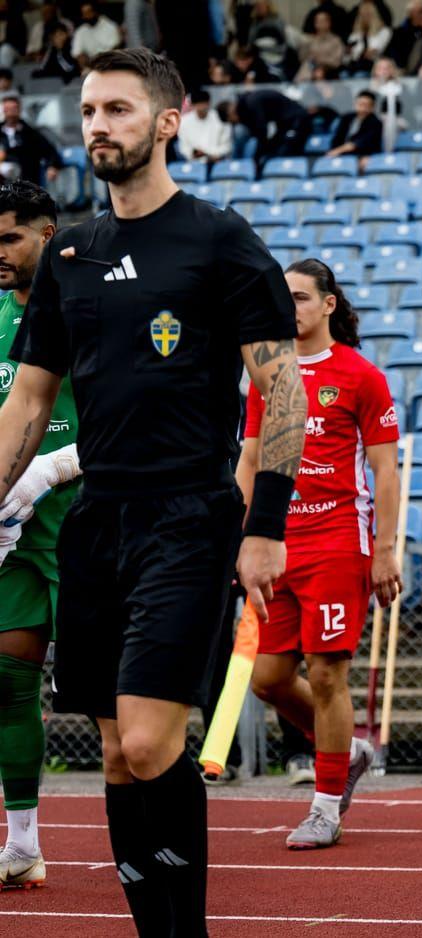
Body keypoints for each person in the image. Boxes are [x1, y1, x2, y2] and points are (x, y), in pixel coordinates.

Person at [0, 49, 303, 936]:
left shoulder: (220, 239)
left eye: (120, 110)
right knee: (114, 755)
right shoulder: (68, 253)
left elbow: (280, 392)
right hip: (97, 526)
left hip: (189, 516)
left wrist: (265, 526)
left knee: (148, 741)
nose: (99, 124)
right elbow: (29, 401)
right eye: (91, 110)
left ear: (167, 121)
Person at [237, 259, 395, 849]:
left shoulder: (360, 375)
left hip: (336, 541)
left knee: (327, 674)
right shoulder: (266, 374)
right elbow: (250, 460)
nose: (290, 309)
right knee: (268, 678)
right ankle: (347, 749)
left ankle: (326, 806)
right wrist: (243, 537)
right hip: (276, 543)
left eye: (300, 298)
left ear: (328, 304)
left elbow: (385, 470)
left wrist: (383, 552)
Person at [0, 181, 74, 891]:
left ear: (47, 235)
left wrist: (52, 467)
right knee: (9, 682)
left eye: (8, 239)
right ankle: (22, 843)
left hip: (92, 524)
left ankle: (161, 839)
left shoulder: (93, 311)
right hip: (14, 537)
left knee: (119, 709)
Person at [222, 89, 314, 166]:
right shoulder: (247, 105)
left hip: (297, 119)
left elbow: (262, 131)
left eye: (232, 121)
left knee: (285, 150)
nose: (235, 123)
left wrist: (257, 158)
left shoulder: (251, 103)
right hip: (284, 124)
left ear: (230, 114)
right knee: (273, 151)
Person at [0, 96, 61, 186]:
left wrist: (51, 166)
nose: (11, 112)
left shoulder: (30, 133)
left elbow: (49, 150)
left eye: (14, 108)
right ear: (3, 110)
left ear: (19, 109)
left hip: (26, 179)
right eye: (7, 109)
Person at [326, 90, 384, 161]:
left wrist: (338, 150)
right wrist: (334, 150)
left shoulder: (375, 122)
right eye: (360, 104)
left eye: (366, 105)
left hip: (363, 154)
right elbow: (337, 138)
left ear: (372, 107)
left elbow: (362, 142)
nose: (362, 108)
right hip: (343, 154)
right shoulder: (346, 118)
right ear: (355, 104)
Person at [176, 90, 231, 164]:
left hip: (218, 162)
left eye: (203, 104)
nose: (201, 108)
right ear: (192, 105)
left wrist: (211, 154)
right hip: (194, 164)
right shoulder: (184, 122)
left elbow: (226, 146)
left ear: (209, 103)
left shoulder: (220, 119)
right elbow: (184, 148)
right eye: (198, 105)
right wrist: (193, 153)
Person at [348, 0, 392, 74]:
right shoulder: (355, 33)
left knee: (359, 75)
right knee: (344, 74)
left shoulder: (384, 31)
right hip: (355, 66)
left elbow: (374, 51)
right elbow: (350, 54)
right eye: (362, 15)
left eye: (368, 14)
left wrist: (358, 52)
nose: (365, 18)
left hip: (374, 66)